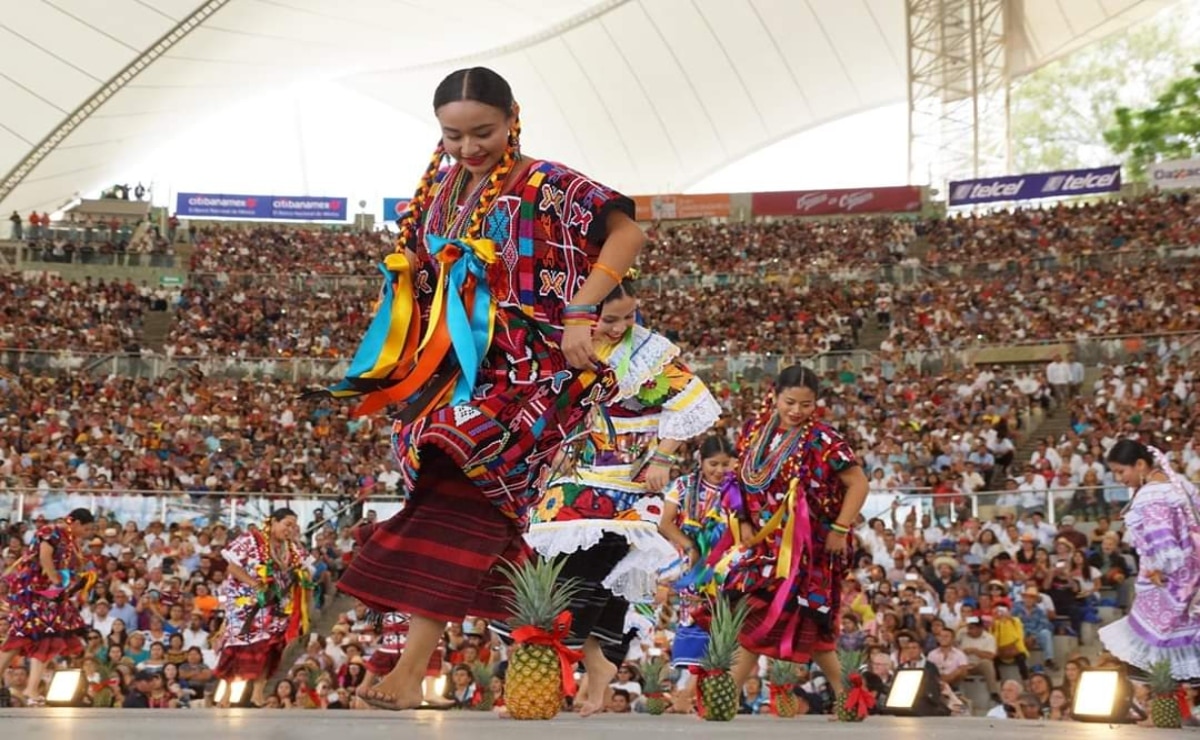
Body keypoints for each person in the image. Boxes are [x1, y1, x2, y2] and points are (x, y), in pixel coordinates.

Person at [326, 66, 644, 712]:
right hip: (457, 373)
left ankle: (409, 672)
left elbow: (629, 232)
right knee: (475, 513)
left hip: (535, 370)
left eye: (483, 132)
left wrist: (582, 309)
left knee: (455, 488)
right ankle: (575, 653)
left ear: (512, 119)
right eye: (453, 135)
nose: (468, 148)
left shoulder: (550, 182)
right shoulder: (441, 192)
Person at [515, 278, 722, 715]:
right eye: (610, 319)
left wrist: (664, 456)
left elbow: (695, 402)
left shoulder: (648, 351)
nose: (621, 326)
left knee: (587, 573)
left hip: (632, 481)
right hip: (582, 475)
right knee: (555, 568)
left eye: (629, 316)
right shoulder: (570, 344)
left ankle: (571, 670)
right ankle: (592, 663)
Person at [723, 365, 869, 710]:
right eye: (790, 402)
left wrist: (840, 527)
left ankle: (727, 696)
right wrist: (742, 520)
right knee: (805, 627)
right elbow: (737, 481)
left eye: (806, 404)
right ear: (774, 396)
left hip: (810, 548)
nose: (797, 411)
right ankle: (850, 698)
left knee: (767, 617)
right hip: (763, 544)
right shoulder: (753, 431)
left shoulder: (824, 439)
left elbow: (858, 483)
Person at [1098, 440, 1200, 682]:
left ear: (1140, 464)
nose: (1119, 478)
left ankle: (1168, 675)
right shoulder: (1178, 483)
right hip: (1191, 567)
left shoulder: (1151, 493)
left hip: (1171, 572)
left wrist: (1157, 567)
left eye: (1121, 471)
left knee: (1160, 626)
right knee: (1182, 623)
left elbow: (1160, 536)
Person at [658, 435, 737, 696]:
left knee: (726, 622)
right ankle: (692, 691)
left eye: (725, 464)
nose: (719, 470)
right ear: (700, 460)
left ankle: (708, 692)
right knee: (696, 620)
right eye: (713, 464)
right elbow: (666, 523)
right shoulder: (683, 486)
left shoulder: (740, 488)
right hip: (695, 566)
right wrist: (690, 546)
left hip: (730, 564)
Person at [213, 508, 315, 707]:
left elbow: (307, 571)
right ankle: (225, 695)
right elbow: (232, 567)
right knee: (236, 649)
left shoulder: (292, 548)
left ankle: (258, 693)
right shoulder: (251, 540)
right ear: (273, 522)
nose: (290, 529)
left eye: (293, 525)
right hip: (245, 604)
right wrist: (255, 584)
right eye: (287, 524)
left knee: (270, 648)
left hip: (276, 605)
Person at [0, 508, 96, 705]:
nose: (88, 533)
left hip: (51, 594)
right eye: (86, 529)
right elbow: (45, 557)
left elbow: (71, 566)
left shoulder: (71, 542)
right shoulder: (50, 531)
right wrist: (56, 582)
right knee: (32, 635)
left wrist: (80, 579)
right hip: (34, 591)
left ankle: (32, 688)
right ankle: (31, 689)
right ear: (75, 523)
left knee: (40, 637)